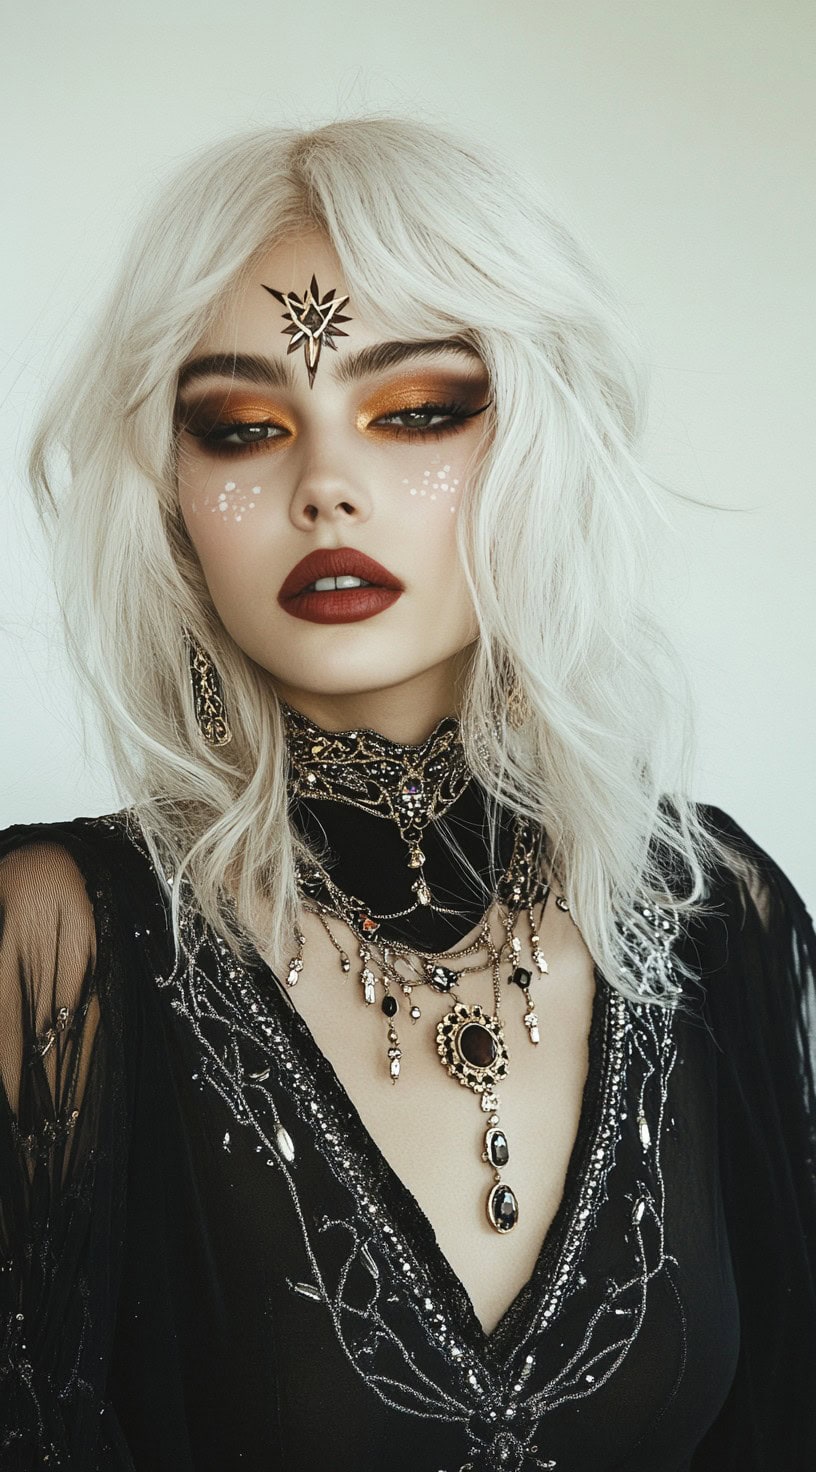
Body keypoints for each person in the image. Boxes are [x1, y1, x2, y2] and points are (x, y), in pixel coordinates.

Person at [0, 117, 813, 1472]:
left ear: (537, 440)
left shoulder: (709, 907)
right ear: (173, 495)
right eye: (243, 428)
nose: (328, 487)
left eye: (417, 411)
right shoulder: (57, 946)